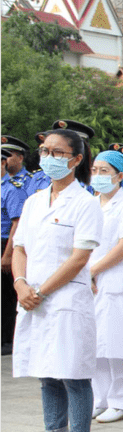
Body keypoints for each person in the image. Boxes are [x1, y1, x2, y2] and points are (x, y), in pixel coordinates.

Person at [13, 126, 102, 432]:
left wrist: (42, 290)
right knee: (46, 374)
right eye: (46, 152)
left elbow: (79, 258)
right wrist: (21, 284)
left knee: (73, 374)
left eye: (58, 153)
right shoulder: (34, 201)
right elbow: (20, 247)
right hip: (33, 298)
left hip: (65, 300)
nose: (48, 158)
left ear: (76, 159)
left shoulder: (85, 202)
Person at [88, 148, 123, 423]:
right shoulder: (89, 204)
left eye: (104, 172)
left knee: (118, 341)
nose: (97, 176)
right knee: (94, 342)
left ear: (119, 176)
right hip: (89, 278)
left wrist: (94, 270)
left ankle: (121, 401)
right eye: (94, 170)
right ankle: (100, 399)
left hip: (115, 277)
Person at [2, 136, 31, 355]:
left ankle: (9, 339)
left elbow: (16, 222)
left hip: (9, 241)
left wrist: (8, 253)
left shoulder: (14, 187)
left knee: (9, 294)